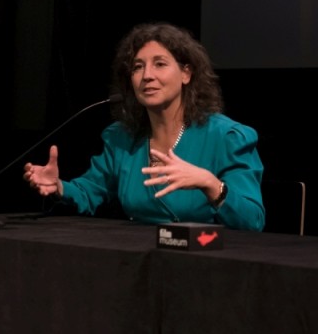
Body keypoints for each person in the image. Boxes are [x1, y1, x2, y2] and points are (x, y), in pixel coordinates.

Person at [23, 22, 265, 230]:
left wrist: (211, 184)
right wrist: (58, 187)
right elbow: (90, 190)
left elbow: (253, 220)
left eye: (159, 64)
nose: (147, 75)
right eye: (138, 67)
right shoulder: (122, 138)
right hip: (139, 263)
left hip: (207, 263)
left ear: (186, 74)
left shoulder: (226, 137)